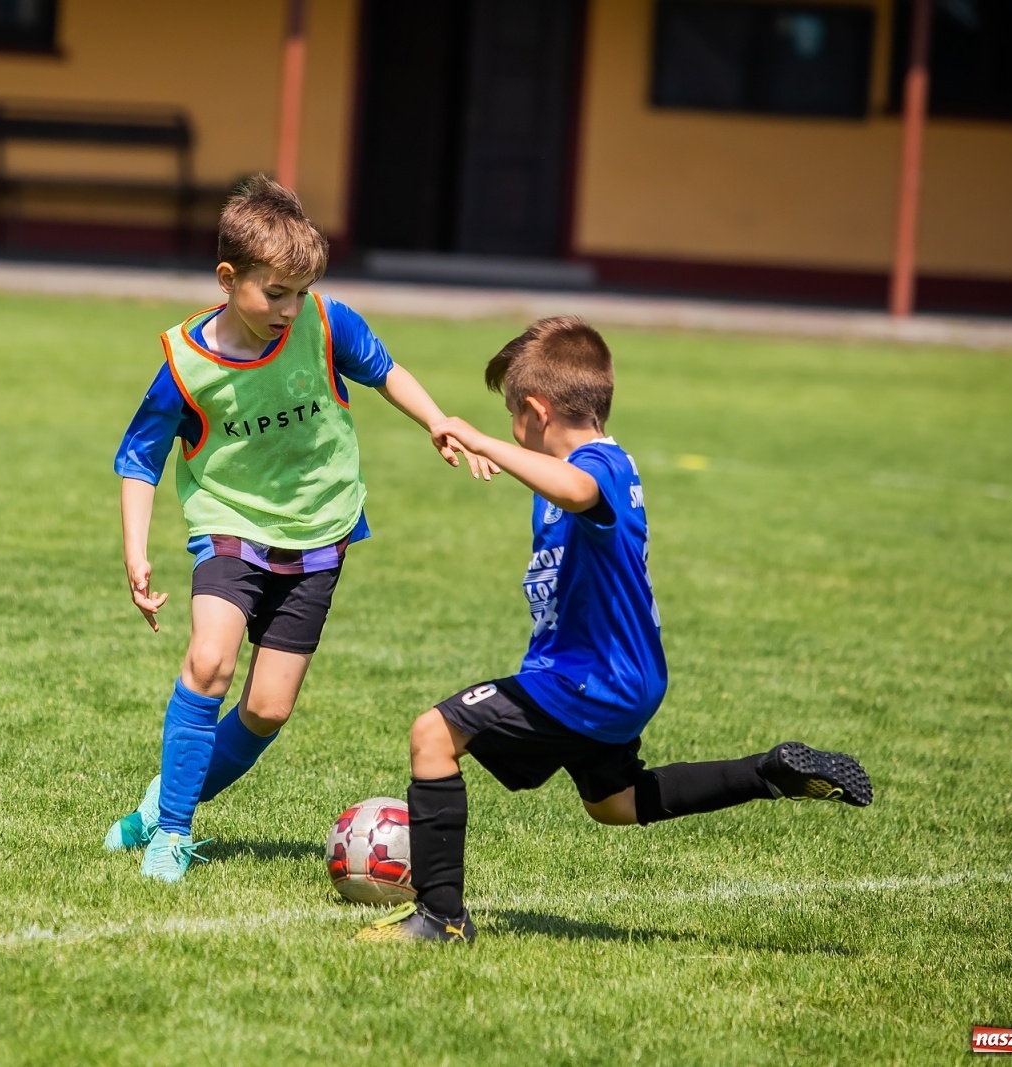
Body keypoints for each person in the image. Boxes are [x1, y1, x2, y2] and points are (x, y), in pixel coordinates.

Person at [356, 316, 873, 943]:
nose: (513, 430)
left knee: (433, 735)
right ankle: (767, 772)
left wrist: (484, 441)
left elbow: (578, 490)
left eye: (514, 416)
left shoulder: (600, 466)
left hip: (587, 681)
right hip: (615, 678)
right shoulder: (587, 469)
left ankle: (441, 918)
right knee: (616, 804)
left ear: (538, 412)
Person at [106, 175, 494, 883]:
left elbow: (384, 369)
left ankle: (162, 798)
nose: (289, 308)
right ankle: (171, 833)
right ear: (229, 278)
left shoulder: (325, 322)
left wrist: (436, 419)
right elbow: (139, 457)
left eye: (299, 291)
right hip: (230, 526)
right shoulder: (186, 365)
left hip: (321, 530)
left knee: (267, 707)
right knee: (210, 662)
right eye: (273, 293)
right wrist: (136, 552)